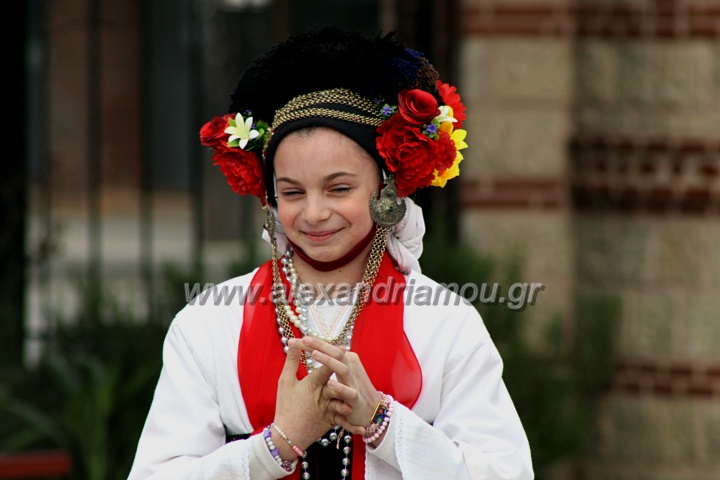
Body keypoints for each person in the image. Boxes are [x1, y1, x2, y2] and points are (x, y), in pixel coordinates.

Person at [128, 26, 533, 480]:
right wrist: (275, 444)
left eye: (339, 188)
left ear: (384, 188)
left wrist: (383, 422)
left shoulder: (444, 323)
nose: (314, 213)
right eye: (292, 192)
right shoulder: (208, 323)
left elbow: (506, 473)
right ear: (270, 199)